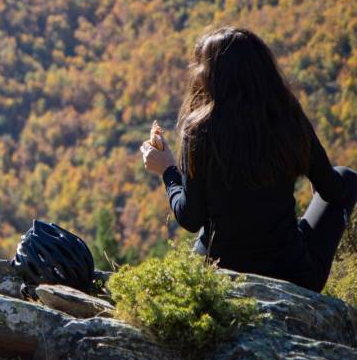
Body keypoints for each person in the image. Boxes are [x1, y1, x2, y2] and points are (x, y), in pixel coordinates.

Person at [140, 27, 357, 293]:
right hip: (295, 276)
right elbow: (333, 189)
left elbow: (191, 217)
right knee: (347, 176)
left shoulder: (198, 129)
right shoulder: (288, 116)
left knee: (213, 226)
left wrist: (168, 171)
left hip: (220, 276)